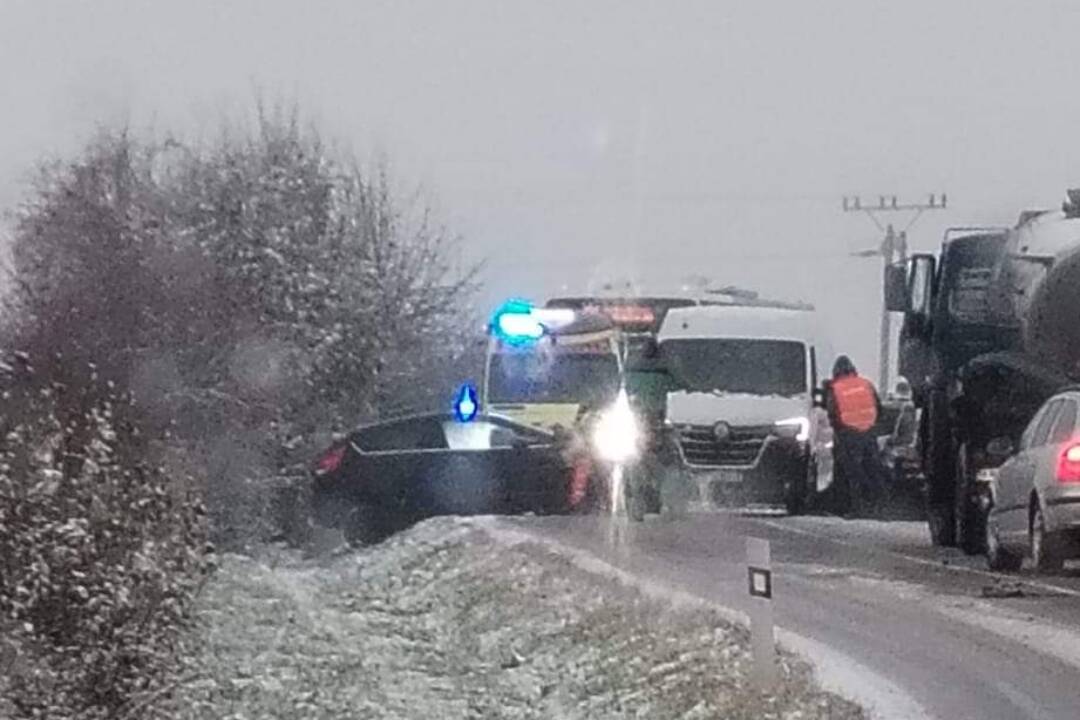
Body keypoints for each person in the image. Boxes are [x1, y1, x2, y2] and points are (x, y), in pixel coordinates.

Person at [825, 355, 889, 517]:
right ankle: (880, 508)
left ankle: (857, 508)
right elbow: (879, 408)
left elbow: (832, 413)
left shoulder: (835, 387)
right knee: (874, 470)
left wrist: (838, 431)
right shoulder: (865, 384)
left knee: (853, 472)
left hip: (848, 434)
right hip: (869, 433)